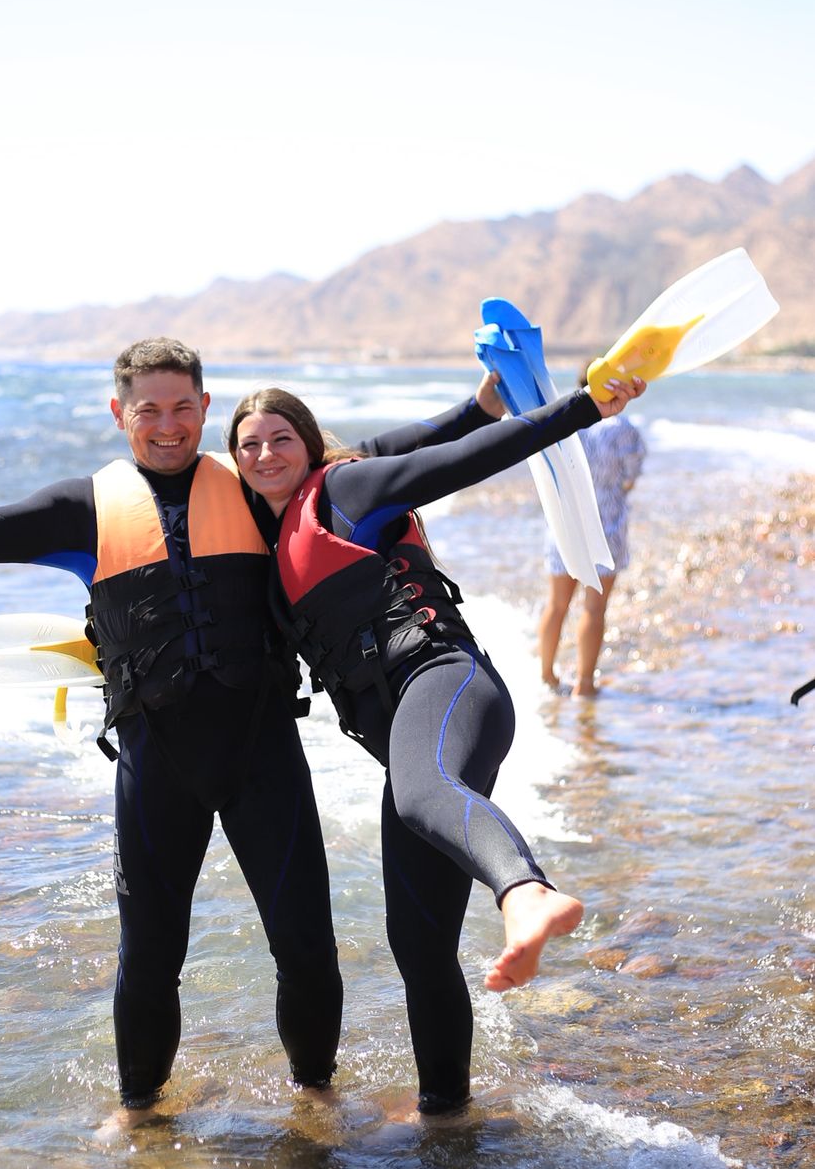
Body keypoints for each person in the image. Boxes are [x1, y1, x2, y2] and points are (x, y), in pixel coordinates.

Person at [0, 338, 350, 1129]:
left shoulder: (257, 489)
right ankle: (141, 1114)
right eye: (148, 409)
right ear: (119, 414)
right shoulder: (85, 509)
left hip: (263, 751)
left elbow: (384, 470)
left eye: (184, 407)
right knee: (150, 958)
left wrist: (488, 409)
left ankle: (316, 1097)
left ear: (205, 410)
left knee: (306, 944)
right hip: (159, 764)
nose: (168, 425)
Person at [228, 372, 645, 1116]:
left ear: (308, 441)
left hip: (448, 683)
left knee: (422, 793)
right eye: (248, 445)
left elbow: (460, 461)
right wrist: (481, 400)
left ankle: (526, 892)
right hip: (413, 733)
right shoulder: (279, 527)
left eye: (280, 438)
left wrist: (583, 408)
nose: (264, 454)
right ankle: (446, 1119)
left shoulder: (345, 492)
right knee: (418, 945)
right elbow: (431, 433)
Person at [538, 361, 647, 696]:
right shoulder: (624, 429)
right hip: (608, 524)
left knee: (556, 605)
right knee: (594, 608)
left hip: (565, 523)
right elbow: (630, 477)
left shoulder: (565, 426)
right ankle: (584, 684)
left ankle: (548, 677)